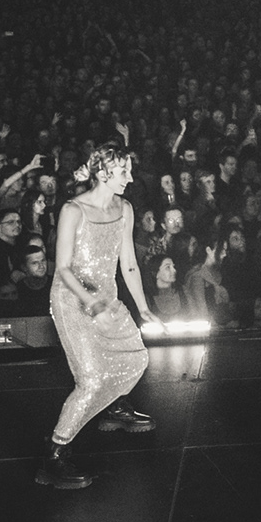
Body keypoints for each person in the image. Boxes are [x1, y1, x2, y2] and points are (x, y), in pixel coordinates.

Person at [39, 144, 159, 491]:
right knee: (91, 380)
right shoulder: (73, 210)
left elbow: (129, 263)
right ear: (103, 173)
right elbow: (63, 268)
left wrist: (144, 308)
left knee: (136, 358)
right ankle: (55, 455)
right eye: (123, 172)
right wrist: (92, 305)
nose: (130, 178)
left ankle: (115, 407)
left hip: (106, 297)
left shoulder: (125, 208)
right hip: (72, 299)